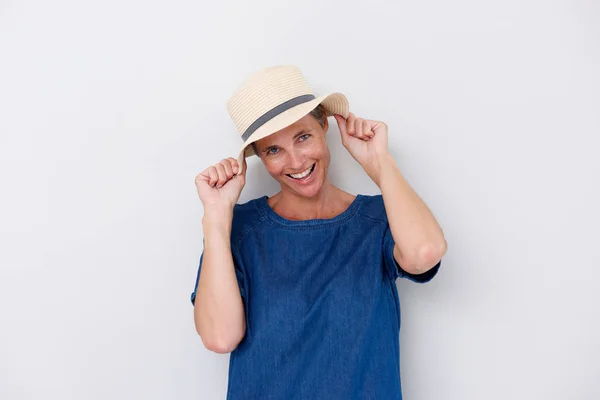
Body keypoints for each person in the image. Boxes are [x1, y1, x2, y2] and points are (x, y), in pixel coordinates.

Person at [191, 65, 447, 399]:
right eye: (274, 150)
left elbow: (425, 253)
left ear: (323, 126)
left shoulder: (377, 219)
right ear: (260, 159)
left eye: (303, 137)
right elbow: (220, 337)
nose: (295, 161)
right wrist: (215, 218)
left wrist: (379, 162)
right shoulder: (238, 229)